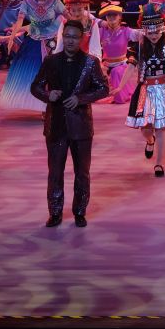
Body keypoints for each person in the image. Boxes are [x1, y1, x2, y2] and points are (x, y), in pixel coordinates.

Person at [32, 18, 110, 225]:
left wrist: (81, 99)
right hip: (55, 125)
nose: (70, 41)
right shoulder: (51, 61)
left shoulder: (91, 62)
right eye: (67, 36)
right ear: (62, 37)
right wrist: (48, 95)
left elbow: (103, 88)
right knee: (55, 172)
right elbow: (35, 86)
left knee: (82, 172)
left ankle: (80, 211)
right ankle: (55, 212)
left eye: (74, 37)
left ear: (82, 38)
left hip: (81, 126)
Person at [126, 0, 165, 175]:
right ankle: (149, 140)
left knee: (161, 128)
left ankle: (159, 163)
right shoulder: (138, 48)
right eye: (150, 32)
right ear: (144, 31)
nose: (153, 35)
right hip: (146, 90)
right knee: (145, 128)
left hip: (164, 90)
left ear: (162, 29)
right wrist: (119, 87)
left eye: (157, 31)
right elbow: (130, 68)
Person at [2, 0, 66, 104]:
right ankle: (40, 101)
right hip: (34, 38)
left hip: (52, 38)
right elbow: (20, 21)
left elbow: (67, 15)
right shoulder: (27, 2)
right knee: (32, 71)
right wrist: (12, 37)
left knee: (53, 70)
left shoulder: (54, 0)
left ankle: (53, 101)